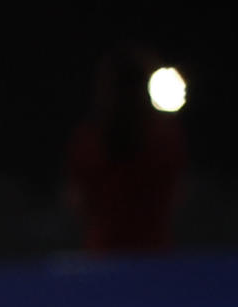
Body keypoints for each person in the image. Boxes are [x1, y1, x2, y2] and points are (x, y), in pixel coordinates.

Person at [67, 45, 185, 253]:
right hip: (146, 255)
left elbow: (76, 201)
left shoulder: (88, 142)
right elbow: (178, 196)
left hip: (111, 256)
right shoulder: (165, 138)